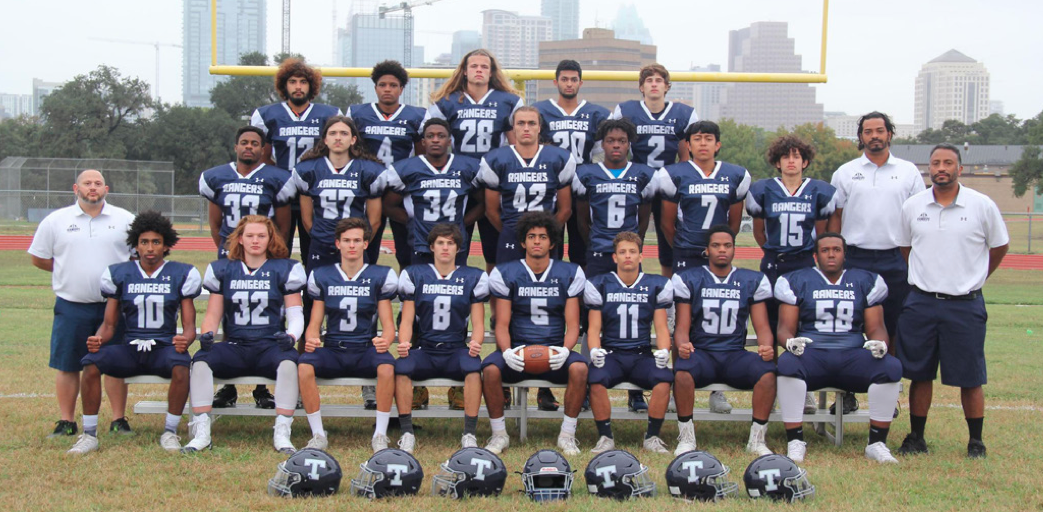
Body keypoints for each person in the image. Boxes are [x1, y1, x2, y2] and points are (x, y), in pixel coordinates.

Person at [895, 143, 1009, 459]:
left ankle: (976, 442)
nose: (941, 168)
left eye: (948, 162)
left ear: (959, 168)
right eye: (935, 163)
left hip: (965, 304)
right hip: (922, 302)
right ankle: (917, 437)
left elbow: (999, 246)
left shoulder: (981, 205)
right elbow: (906, 248)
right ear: (928, 168)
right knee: (920, 373)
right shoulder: (912, 206)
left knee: (970, 376)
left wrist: (976, 277)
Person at [68, 211, 201, 454]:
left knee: (182, 366)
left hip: (163, 348)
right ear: (135, 245)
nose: (150, 248)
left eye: (156, 242)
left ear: (165, 245)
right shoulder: (119, 274)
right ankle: (88, 435)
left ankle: (170, 432)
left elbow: (189, 325)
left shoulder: (181, 273)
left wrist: (186, 340)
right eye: (144, 242)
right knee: (90, 365)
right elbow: (109, 325)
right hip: (130, 347)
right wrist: (99, 338)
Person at [478, 106, 576, 412]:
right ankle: (507, 379)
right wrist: (515, 233)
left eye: (531, 123)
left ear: (539, 128)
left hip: (546, 236)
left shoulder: (557, 158)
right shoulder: (497, 159)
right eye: (520, 123)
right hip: (511, 235)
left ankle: (547, 386)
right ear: (513, 129)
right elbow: (492, 209)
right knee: (504, 306)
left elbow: (565, 208)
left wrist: (546, 234)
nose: (525, 128)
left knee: (552, 304)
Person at [181, 216, 307, 454]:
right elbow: (212, 314)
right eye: (250, 235)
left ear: (270, 238)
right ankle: (202, 432)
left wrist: (291, 336)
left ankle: (282, 431)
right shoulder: (223, 269)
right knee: (200, 362)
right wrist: (206, 334)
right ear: (240, 239)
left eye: (261, 235)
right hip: (236, 345)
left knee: (289, 364)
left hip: (271, 345)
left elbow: (296, 314)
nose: (255, 240)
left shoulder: (285, 269)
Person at [774, 233, 903, 464]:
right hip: (812, 353)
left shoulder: (865, 280)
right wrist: (789, 343)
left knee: (891, 367)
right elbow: (785, 328)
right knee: (786, 363)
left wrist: (880, 344)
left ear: (845, 254)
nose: (831, 254)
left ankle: (877, 443)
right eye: (825, 250)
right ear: (815, 255)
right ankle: (795, 440)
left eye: (836, 249)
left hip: (852, 353)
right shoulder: (797, 280)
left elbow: (877, 328)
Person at [827, 112, 924, 410]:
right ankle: (847, 394)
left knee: (891, 326)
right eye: (868, 131)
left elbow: (919, 217)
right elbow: (835, 217)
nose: (874, 136)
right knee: (849, 326)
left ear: (890, 134)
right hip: (855, 257)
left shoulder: (908, 172)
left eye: (879, 130)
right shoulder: (845, 171)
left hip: (895, 257)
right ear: (860, 137)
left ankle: (887, 393)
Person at [28, 169, 135, 438]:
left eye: (98, 183)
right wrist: (67, 271)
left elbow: (138, 257)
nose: (92, 187)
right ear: (76, 188)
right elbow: (39, 258)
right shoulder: (56, 221)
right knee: (68, 363)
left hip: (113, 305)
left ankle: (118, 419)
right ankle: (66, 421)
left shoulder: (125, 220)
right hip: (72, 305)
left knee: (115, 363)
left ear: (106, 189)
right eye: (87, 183)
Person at [657, 120, 752, 414]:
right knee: (680, 324)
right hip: (686, 256)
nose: (702, 144)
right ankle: (677, 384)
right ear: (688, 144)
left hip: (718, 256)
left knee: (720, 317)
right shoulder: (674, 174)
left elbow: (733, 223)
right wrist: (688, 248)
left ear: (718, 144)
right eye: (696, 139)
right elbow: (667, 223)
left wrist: (718, 248)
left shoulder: (735, 174)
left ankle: (715, 389)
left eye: (708, 139)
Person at [200, 126, 296, 409]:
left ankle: (261, 387)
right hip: (232, 254)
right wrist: (231, 248)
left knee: (267, 313)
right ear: (235, 146)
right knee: (234, 314)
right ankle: (228, 386)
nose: (249, 147)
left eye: (255, 143)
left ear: (263, 148)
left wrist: (274, 253)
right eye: (244, 142)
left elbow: (282, 225)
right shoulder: (217, 176)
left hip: (265, 254)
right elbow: (216, 224)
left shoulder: (276, 178)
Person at [481, 212, 587, 455]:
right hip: (518, 351)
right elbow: (501, 322)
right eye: (531, 237)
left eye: (542, 237)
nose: (537, 241)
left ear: (552, 243)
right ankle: (499, 434)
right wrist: (507, 352)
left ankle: (567, 435)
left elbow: (573, 324)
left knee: (580, 368)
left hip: (555, 351)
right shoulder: (507, 272)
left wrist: (565, 350)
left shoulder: (568, 272)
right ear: (522, 242)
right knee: (489, 369)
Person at [746, 135, 837, 414]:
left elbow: (822, 232)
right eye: (786, 156)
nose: (791, 161)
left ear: (805, 161)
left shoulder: (818, 191)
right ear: (777, 162)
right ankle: (772, 387)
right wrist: (774, 253)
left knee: (802, 327)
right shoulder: (763, 189)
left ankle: (803, 386)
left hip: (803, 264)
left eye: (796, 156)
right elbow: (760, 231)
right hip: (774, 264)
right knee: (773, 328)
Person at [572, 118, 658, 411]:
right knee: (592, 320)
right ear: (602, 144)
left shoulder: (643, 175)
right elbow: (582, 218)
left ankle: (635, 391)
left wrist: (631, 245)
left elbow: (645, 215)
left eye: (622, 140)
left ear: (629, 143)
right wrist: (600, 244)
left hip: (629, 257)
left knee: (635, 317)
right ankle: (586, 385)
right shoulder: (587, 174)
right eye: (611, 141)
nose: (617, 145)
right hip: (598, 253)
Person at [670, 225, 776, 457]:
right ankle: (686, 437)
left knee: (767, 373)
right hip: (702, 354)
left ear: (734, 249)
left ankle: (757, 439)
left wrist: (766, 345)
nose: (722, 250)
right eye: (716, 245)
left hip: (734, 355)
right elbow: (681, 327)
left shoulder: (750, 280)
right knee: (682, 373)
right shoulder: (691, 278)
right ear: (707, 250)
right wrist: (683, 345)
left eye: (727, 245)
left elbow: (763, 327)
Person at [296, 217, 399, 453]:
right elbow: (315, 322)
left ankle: (380, 434)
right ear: (337, 244)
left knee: (387, 368)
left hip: (365, 348)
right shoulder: (323, 275)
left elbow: (388, 324)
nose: (352, 245)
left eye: (356, 240)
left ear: (365, 244)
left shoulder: (379, 275)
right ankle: (318, 434)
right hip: (334, 348)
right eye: (346, 240)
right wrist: (312, 338)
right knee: (304, 366)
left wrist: (386, 340)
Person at [426, 48, 523, 275]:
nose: (479, 70)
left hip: (494, 181)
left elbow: (515, 146)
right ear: (465, 71)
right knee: (457, 244)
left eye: (484, 67)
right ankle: (460, 300)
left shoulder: (508, 101)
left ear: (491, 73)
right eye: (474, 66)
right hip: (459, 180)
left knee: (494, 249)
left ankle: (494, 299)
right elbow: (432, 140)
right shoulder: (447, 102)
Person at [393, 223, 490, 452]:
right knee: (402, 367)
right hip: (425, 349)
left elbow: (478, 322)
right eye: (440, 243)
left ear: (458, 248)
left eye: (450, 243)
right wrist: (404, 342)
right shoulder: (416, 274)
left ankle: (469, 433)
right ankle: (407, 432)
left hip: (456, 348)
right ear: (432, 247)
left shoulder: (472, 277)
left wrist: (475, 342)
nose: (445, 248)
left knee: (474, 368)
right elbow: (407, 319)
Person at [584, 232, 673, 454]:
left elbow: (661, 328)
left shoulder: (655, 284)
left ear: (641, 256)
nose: (627, 256)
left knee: (663, 378)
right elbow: (594, 328)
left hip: (641, 354)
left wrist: (664, 350)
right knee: (595, 377)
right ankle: (605, 436)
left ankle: (652, 437)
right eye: (622, 252)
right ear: (614, 257)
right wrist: (595, 350)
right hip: (612, 353)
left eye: (632, 252)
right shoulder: (600, 284)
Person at [609, 63, 699, 278]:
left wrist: (681, 178)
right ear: (641, 87)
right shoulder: (626, 110)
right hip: (637, 183)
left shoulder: (683, 113)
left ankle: (670, 292)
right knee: (629, 237)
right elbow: (614, 143)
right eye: (649, 80)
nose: (654, 84)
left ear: (667, 86)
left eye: (658, 80)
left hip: (669, 184)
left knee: (670, 241)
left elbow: (686, 152)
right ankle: (627, 282)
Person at [251, 57, 343, 255]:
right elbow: (263, 157)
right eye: (293, 82)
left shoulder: (329, 114)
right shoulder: (268, 114)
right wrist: (279, 180)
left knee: (315, 250)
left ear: (312, 85)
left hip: (315, 191)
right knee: (276, 247)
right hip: (281, 189)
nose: (298, 87)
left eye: (303, 82)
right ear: (284, 85)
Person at [345, 60, 426, 267]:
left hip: (401, 190)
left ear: (401, 89)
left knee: (407, 251)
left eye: (393, 85)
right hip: (369, 188)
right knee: (367, 248)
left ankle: (409, 296)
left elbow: (421, 157)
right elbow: (349, 151)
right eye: (382, 85)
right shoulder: (358, 113)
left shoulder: (416, 115)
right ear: (375, 88)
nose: (387, 89)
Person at [534, 59, 611, 267]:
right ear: (555, 82)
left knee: (582, 245)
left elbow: (601, 154)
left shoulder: (597, 114)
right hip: (550, 185)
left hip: (582, 184)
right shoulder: (540, 111)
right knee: (550, 244)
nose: (569, 84)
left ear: (580, 83)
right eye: (564, 79)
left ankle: (582, 297)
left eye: (573, 80)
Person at [385, 118, 484, 266]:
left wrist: (463, 223)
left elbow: (485, 202)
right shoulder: (408, 168)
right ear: (423, 142)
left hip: (455, 241)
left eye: (441, 136)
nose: (436, 140)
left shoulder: (466, 167)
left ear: (449, 141)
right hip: (422, 241)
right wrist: (412, 222)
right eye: (430, 136)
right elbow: (388, 206)